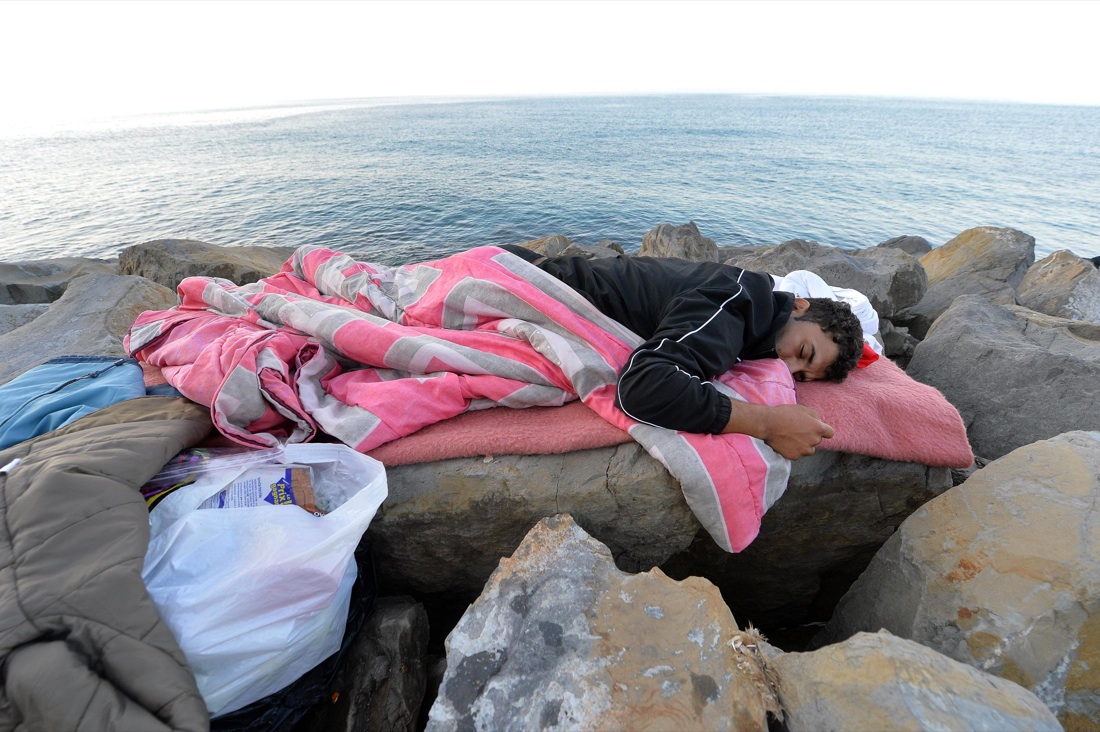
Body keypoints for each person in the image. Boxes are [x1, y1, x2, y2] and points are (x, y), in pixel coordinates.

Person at [501, 245, 863, 460]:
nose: (786, 366)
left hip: (539, 267)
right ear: (798, 306)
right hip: (520, 281)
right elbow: (643, 387)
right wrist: (768, 424)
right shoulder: (735, 308)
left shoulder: (749, 293)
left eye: (800, 375)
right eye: (803, 350)